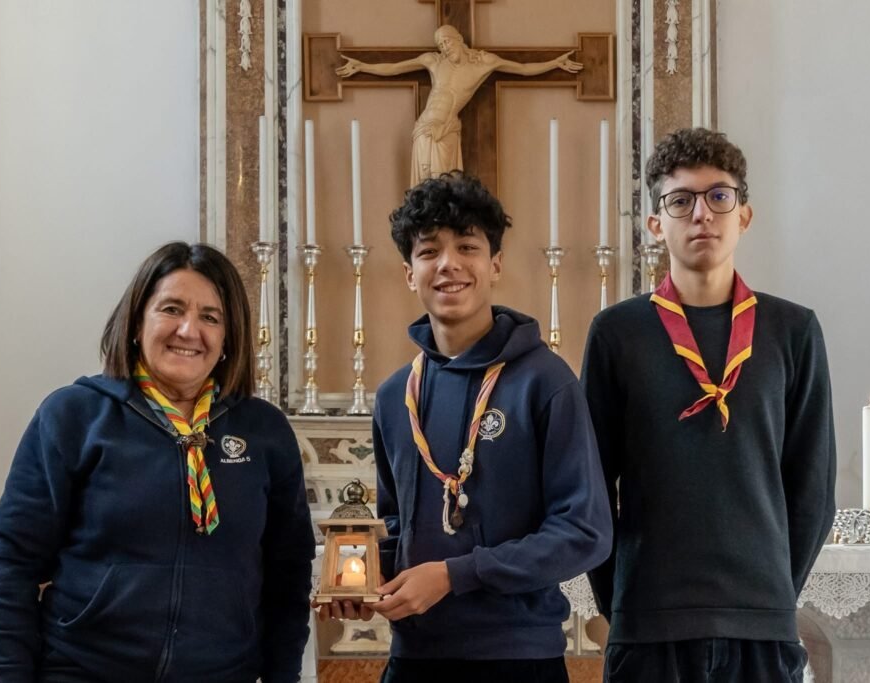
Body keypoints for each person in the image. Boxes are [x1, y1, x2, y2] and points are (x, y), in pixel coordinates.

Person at [0, 242, 315, 683]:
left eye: (211, 317)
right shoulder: (74, 416)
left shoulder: (265, 431)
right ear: (137, 322)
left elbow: (289, 576)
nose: (189, 330)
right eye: (171, 309)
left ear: (228, 338)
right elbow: (11, 562)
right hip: (82, 671)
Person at [329, 171, 611, 683]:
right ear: (409, 273)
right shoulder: (395, 397)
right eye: (428, 251)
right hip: (415, 658)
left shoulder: (545, 382)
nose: (448, 264)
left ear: (495, 263)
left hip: (518, 657)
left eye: (467, 247)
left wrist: (455, 575)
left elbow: (584, 532)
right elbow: (396, 528)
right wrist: (361, 580)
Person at [581, 128, 836, 682]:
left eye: (719, 196)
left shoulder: (793, 331)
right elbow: (592, 486)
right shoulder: (617, 333)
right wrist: (623, 602)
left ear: (744, 215)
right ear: (656, 223)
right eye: (681, 200)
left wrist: (770, 595)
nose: (702, 214)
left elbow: (813, 489)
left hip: (761, 627)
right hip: (649, 624)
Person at [336, 25, 583, 185]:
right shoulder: (433, 61)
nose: (444, 47)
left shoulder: (483, 63)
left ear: (459, 39)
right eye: (440, 44)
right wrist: (363, 66)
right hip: (424, 127)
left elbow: (523, 69)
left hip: (446, 129)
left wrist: (555, 63)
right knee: (424, 186)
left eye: (447, 41)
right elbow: (393, 68)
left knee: (444, 185)